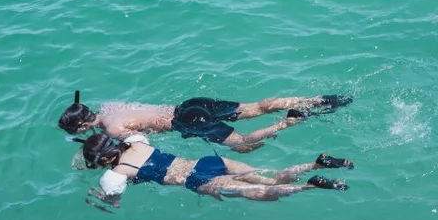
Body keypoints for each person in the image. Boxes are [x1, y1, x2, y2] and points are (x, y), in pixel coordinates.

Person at [79, 132, 352, 209]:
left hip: (197, 180)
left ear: (103, 160)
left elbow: (115, 203)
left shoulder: (114, 175)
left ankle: (312, 185)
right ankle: (316, 163)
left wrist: (102, 198)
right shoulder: (136, 142)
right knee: (270, 177)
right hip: (209, 163)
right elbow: (129, 134)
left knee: (263, 193)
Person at [58, 91, 352, 153]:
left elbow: (140, 143)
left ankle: (294, 120)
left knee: (243, 144)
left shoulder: (109, 128)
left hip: (187, 121)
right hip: (189, 105)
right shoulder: (110, 105)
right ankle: (316, 99)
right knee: (257, 106)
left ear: (83, 126)